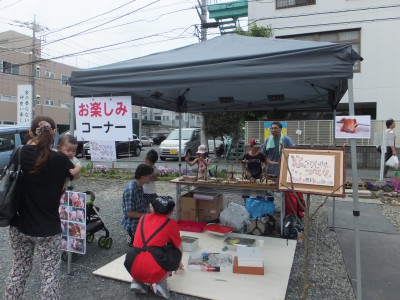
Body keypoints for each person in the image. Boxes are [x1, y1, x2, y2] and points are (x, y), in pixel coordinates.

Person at [5, 116, 75, 299]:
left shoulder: (19, 152)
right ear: (53, 133)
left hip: (19, 224)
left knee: (18, 270)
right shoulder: (60, 159)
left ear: (30, 132)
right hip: (48, 228)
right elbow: (74, 174)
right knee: (50, 275)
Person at [129, 197, 183, 298]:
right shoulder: (171, 224)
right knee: (173, 248)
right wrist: (178, 262)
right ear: (171, 212)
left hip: (132, 264)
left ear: (153, 209)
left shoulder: (143, 218)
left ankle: (137, 281)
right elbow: (179, 247)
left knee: (145, 249)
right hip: (152, 269)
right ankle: (160, 282)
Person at [122, 164, 154, 247]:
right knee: (137, 246)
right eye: (150, 177)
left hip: (140, 217)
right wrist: (146, 216)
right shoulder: (131, 190)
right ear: (143, 177)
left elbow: (143, 201)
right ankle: (132, 238)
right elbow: (129, 213)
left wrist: (148, 210)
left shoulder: (139, 185)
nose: (151, 179)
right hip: (133, 223)